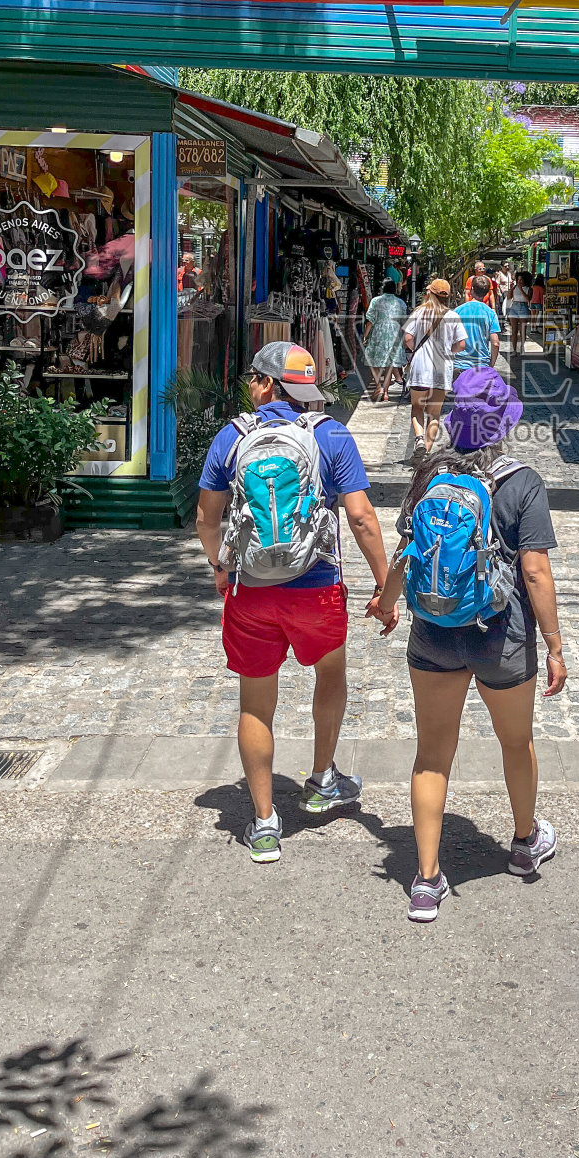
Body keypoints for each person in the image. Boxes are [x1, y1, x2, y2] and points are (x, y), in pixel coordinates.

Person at [372, 368, 567, 922]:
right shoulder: (522, 481)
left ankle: (427, 881)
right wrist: (553, 644)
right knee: (515, 742)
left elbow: (407, 550)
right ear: (505, 423)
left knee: (432, 756)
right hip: (501, 635)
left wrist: (387, 604)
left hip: (434, 633)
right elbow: (535, 573)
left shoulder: (428, 475)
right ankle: (525, 844)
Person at [195, 343, 397, 864]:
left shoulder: (231, 438)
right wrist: (383, 584)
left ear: (264, 385)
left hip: (252, 591)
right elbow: (361, 518)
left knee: (255, 703)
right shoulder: (329, 434)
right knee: (330, 674)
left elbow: (205, 517)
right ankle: (323, 779)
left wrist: (221, 568)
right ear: (303, 389)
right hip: (317, 585)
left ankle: (263, 823)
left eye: (252, 380)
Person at [403, 277, 466, 460]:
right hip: (442, 369)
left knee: (417, 408)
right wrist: (448, 351)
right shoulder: (453, 316)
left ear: (429, 293)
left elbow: (408, 338)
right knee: (434, 413)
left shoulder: (419, 312)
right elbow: (461, 344)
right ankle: (426, 452)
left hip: (420, 368)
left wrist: (416, 350)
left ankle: (419, 440)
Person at [363, 276, 408, 402]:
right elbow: (404, 321)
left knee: (372, 361)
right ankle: (386, 393)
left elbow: (370, 320)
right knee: (390, 364)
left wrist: (365, 335)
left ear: (382, 288)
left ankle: (379, 386)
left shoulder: (376, 301)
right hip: (394, 334)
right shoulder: (401, 303)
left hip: (379, 333)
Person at [453, 273, 502, 376]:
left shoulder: (458, 311)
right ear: (487, 293)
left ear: (471, 290)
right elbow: (495, 343)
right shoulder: (490, 313)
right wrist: (491, 365)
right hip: (481, 367)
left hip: (459, 365)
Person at [506, 269, 533, 357]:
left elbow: (528, 299)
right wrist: (511, 289)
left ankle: (522, 348)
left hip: (524, 307)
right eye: (518, 280)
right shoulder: (514, 288)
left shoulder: (529, 289)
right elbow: (509, 297)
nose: (519, 281)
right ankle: (514, 350)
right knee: (514, 331)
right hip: (514, 307)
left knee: (523, 330)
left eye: (521, 280)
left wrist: (521, 289)